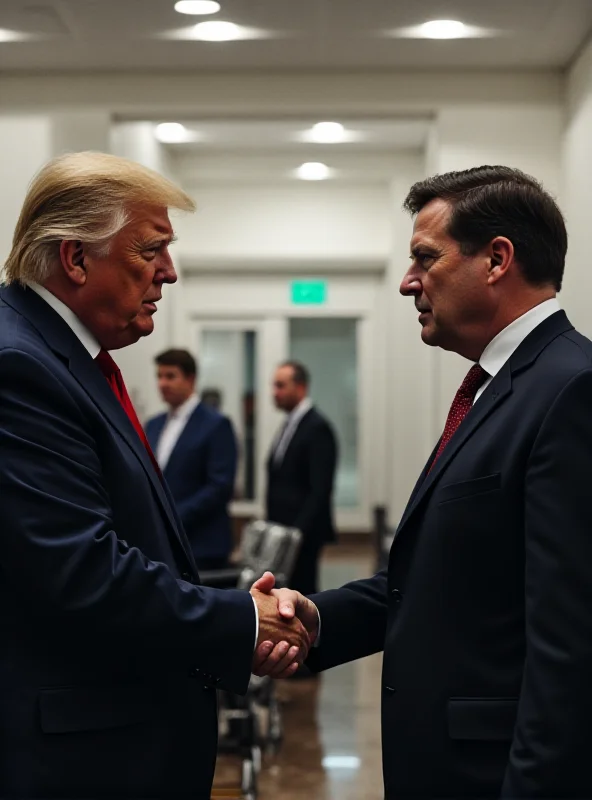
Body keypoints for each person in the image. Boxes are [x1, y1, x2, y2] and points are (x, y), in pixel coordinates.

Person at [253, 166, 592, 798]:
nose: (409, 282)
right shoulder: (498, 386)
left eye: (425, 258)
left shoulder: (571, 389)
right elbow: (439, 581)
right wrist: (314, 618)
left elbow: (570, 649)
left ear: (497, 260)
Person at [0, 151, 309, 800]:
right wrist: (243, 621)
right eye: (152, 249)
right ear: (76, 258)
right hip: (78, 756)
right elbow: (81, 571)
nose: (169, 273)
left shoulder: (70, 359)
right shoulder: (20, 367)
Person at [146, 349, 237, 572]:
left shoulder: (216, 424)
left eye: (170, 376)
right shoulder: (154, 425)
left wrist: (173, 518)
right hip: (162, 543)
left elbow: (219, 486)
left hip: (203, 544)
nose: (163, 383)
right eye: (159, 376)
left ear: (191, 379)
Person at [266, 361, 338, 596]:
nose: (275, 393)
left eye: (280, 386)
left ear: (301, 387)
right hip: (282, 531)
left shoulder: (316, 427)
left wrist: (298, 533)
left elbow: (320, 489)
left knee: (302, 595)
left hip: (301, 535)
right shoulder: (290, 424)